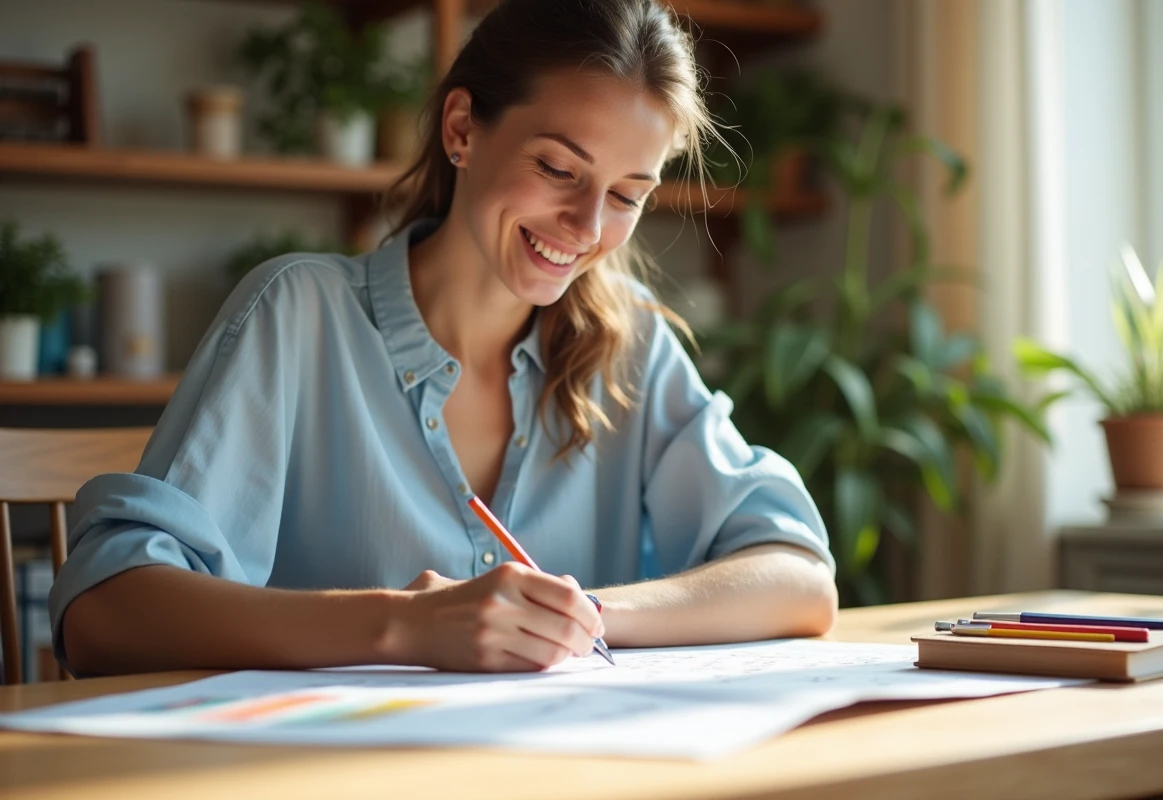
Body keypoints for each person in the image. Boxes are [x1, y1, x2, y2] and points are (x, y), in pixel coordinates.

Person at [51, 0, 838, 677]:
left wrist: (578, 615)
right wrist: (402, 625)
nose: (589, 228)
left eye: (628, 195)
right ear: (462, 128)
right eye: (559, 169)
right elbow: (102, 611)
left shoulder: (631, 343)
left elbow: (799, 577)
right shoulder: (298, 314)